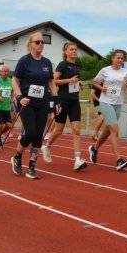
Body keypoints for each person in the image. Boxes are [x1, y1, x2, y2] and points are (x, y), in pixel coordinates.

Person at [10, 32, 60, 179]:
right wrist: (19, 97)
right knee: (31, 132)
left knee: (39, 136)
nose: (41, 44)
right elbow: (15, 80)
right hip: (27, 102)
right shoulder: (24, 61)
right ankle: (17, 156)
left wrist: (56, 100)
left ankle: (31, 167)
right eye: (37, 42)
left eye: (42, 42)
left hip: (42, 103)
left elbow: (50, 82)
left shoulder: (47, 63)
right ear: (30, 44)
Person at [42, 42, 88, 171]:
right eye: (71, 49)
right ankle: (47, 146)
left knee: (76, 130)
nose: (74, 51)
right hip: (62, 101)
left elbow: (74, 81)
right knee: (59, 130)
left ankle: (77, 159)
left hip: (74, 101)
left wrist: (78, 83)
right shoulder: (62, 65)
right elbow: (53, 81)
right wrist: (69, 81)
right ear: (66, 52)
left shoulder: (77, 65)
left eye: (75, 49)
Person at [89, 50, 127, 171]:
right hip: (105, 102)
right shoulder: (105, 70)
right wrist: (101, 88)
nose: (120, 60)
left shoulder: (126, 72)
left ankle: (94, 148)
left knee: (107, 132)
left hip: (118, 104)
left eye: (122, 58)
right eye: (118, 58)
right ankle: (119, 160)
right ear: (113, 58)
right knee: (115, 131)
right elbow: (94, 82)